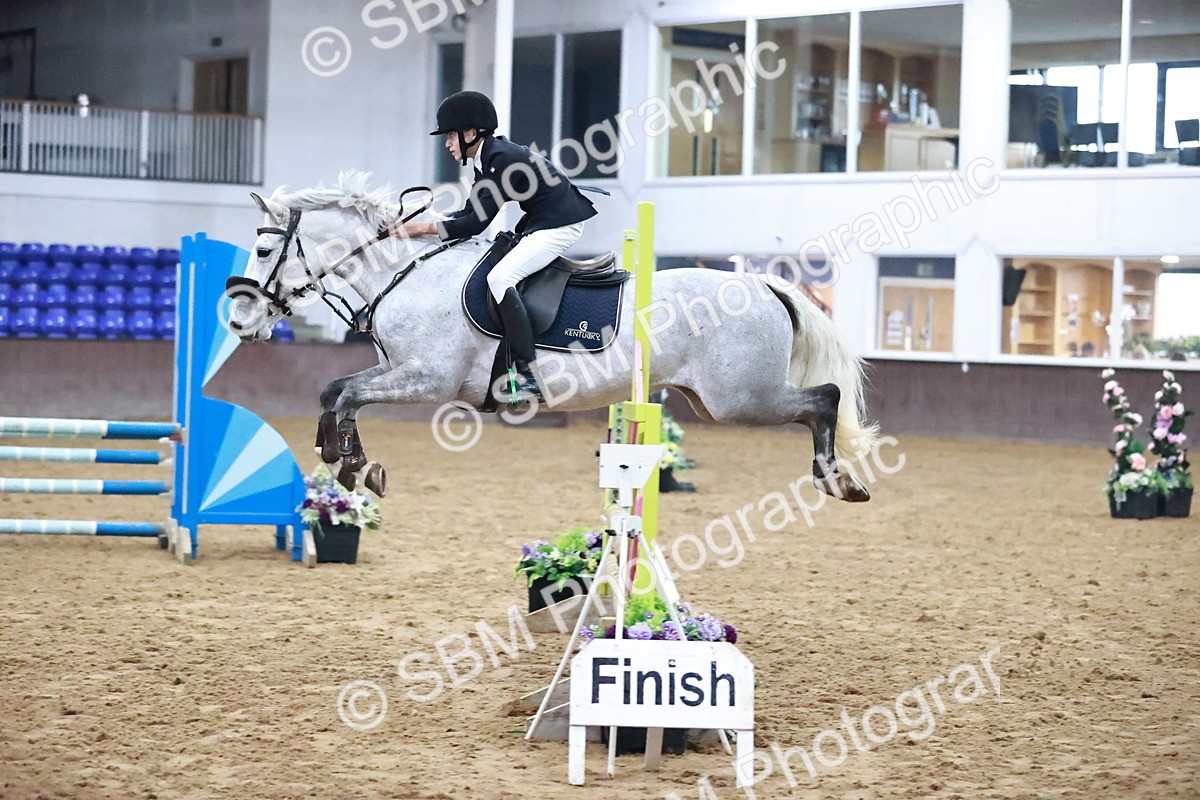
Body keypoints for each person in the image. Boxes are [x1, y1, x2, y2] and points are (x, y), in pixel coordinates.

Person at [396, 91, 598, 399]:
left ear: (471, 133)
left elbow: (476, 224)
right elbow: (468, 213)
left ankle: (529, 375)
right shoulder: (487, 157)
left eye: (451, 135)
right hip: (542, 220)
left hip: (561, 224)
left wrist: (418, 229)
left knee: (500, 278)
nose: (447, 144)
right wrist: (424, 226)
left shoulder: (499, 160)